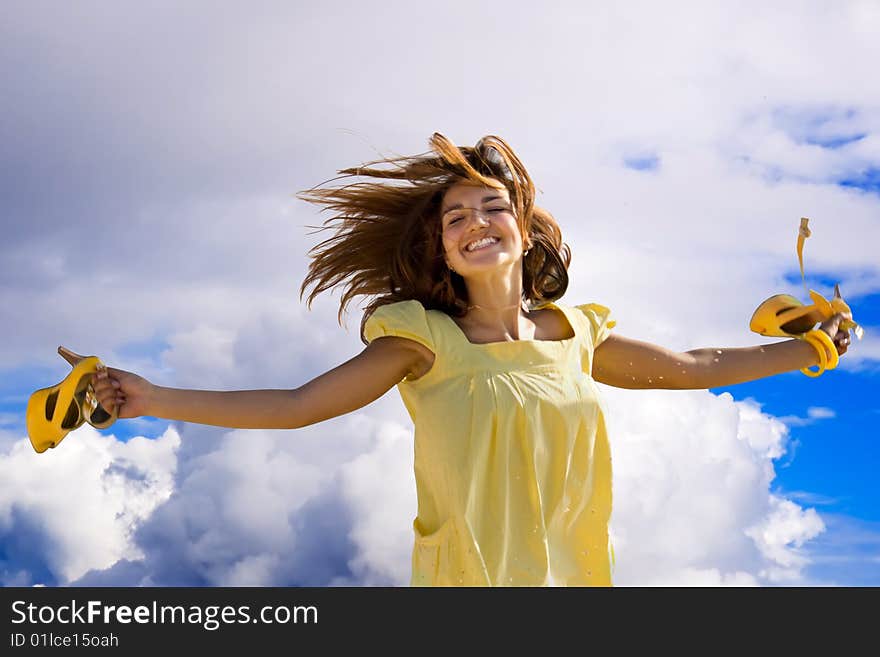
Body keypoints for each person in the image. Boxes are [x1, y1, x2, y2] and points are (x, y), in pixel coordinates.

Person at [82, 133, 853, 586]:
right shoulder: (423, 339)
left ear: (522, 226)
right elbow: (297, 404)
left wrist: (807, 348)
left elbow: (690, 364)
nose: (475, 222)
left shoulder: (574, 333)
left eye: (491, 207)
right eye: (455, 216)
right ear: (442, 248)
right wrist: (154, 396)